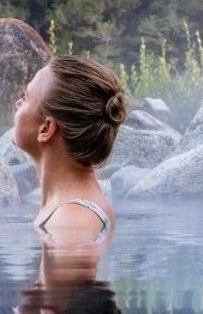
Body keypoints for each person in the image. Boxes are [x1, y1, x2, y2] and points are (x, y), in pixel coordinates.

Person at [12, 55, 128, 243]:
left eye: (26, 98)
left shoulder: (73, 221)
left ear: (46, 129)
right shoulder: (68, 211)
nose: (17, 104)